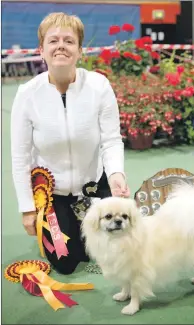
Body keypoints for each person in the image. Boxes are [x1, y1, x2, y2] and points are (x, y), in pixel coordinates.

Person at [11, 12, 130, 275]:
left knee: (108, 250)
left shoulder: (99, 86)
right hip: (53, 194)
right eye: (53, 41)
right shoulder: (27, 94)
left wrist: (116, 175)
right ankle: (69, 230)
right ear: (41, 50)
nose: (61, 46)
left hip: (93, 187)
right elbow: (20, 158)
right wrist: (27, 209)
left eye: (69, 40)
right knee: (67, 261)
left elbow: (111, 140)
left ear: (79, 50)